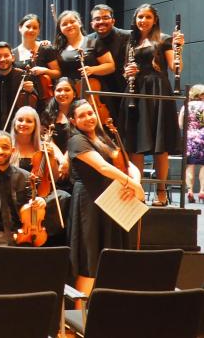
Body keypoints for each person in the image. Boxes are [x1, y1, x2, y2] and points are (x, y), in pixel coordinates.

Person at [69, 99, 144, 297]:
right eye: (82, 115)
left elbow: (129, 165)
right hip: (90, 203)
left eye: (90, 113)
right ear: (73, 121)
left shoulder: (104, 137)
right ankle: (80, 319)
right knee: (90, 262)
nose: (88, 118)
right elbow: (102, 167)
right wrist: (132, 184)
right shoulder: (77, 140)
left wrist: (134, 182)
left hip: (112, 203)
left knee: (112, 260)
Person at [120, 3, 184, 206]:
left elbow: (176, 67)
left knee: (160, 145)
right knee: (136, 144)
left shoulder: (164, 39)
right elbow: (125, 70)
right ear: (135, 19)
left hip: (157, 92)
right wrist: (127, 73)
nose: (143, 21)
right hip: (135, 92)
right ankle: (138, 192)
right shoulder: (131, 43)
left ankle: (161, 191)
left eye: (147, 17)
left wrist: (179, 48)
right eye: (140, 17)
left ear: (154, 19)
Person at [10, 105, 70, 242]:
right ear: (14, 123)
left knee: (63, 196)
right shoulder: (7, 145)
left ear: (35, 125)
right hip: (14, 194)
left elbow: (54, 179)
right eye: (20, 120)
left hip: (40, 195)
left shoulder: (44, 146)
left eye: (29, 121)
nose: (24, 124)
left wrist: (52, 159)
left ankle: (41, 236)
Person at [53, 10, 115, 122]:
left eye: (72, 21)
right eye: (64, 24)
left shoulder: (93, 43)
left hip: (91, 93)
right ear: (60, 29)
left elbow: (110, 66)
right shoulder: (59, 48)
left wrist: (92, 70)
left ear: (80, 23)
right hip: (69, 95)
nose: (69, 25)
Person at [87, 4, 132, 118]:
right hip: (98, 92)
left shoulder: (128, 36)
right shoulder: (88, 40)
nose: (101, 21)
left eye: (106, 18)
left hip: (123, 90)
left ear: (113, 21)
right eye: (97, 19)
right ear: (92, 24)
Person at [0, 42, 37, 132]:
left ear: (13, 57)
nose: (3, 59)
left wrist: (31, 90)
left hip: (18, 129)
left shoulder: (23, 76)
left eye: (6, 55)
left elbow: (35, 101)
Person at [13, 14, 60, 97]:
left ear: (38, 31)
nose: (31, 30)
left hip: (43, 98)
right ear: (20, 28)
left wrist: (45, 71)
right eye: (28, 26)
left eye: (35, 28)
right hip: (20, 98)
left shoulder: (46, 49)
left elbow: (58, 73)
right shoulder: (13, 53)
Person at [40, 77, 77, 153]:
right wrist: (61, 160)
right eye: (59, 90)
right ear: (54, 93)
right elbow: (48, 140)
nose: (62, 93)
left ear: (74, 94)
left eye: (67, 90)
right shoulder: (48, 114)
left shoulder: (80, 113)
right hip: (55, 159)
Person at [182, 85, 204, 202]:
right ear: (200, 95)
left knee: (190, 165)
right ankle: (202, 191)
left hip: (189, 138)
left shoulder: (186, 106)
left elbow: (181, 124)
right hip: (203, 138)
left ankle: (189, 190)